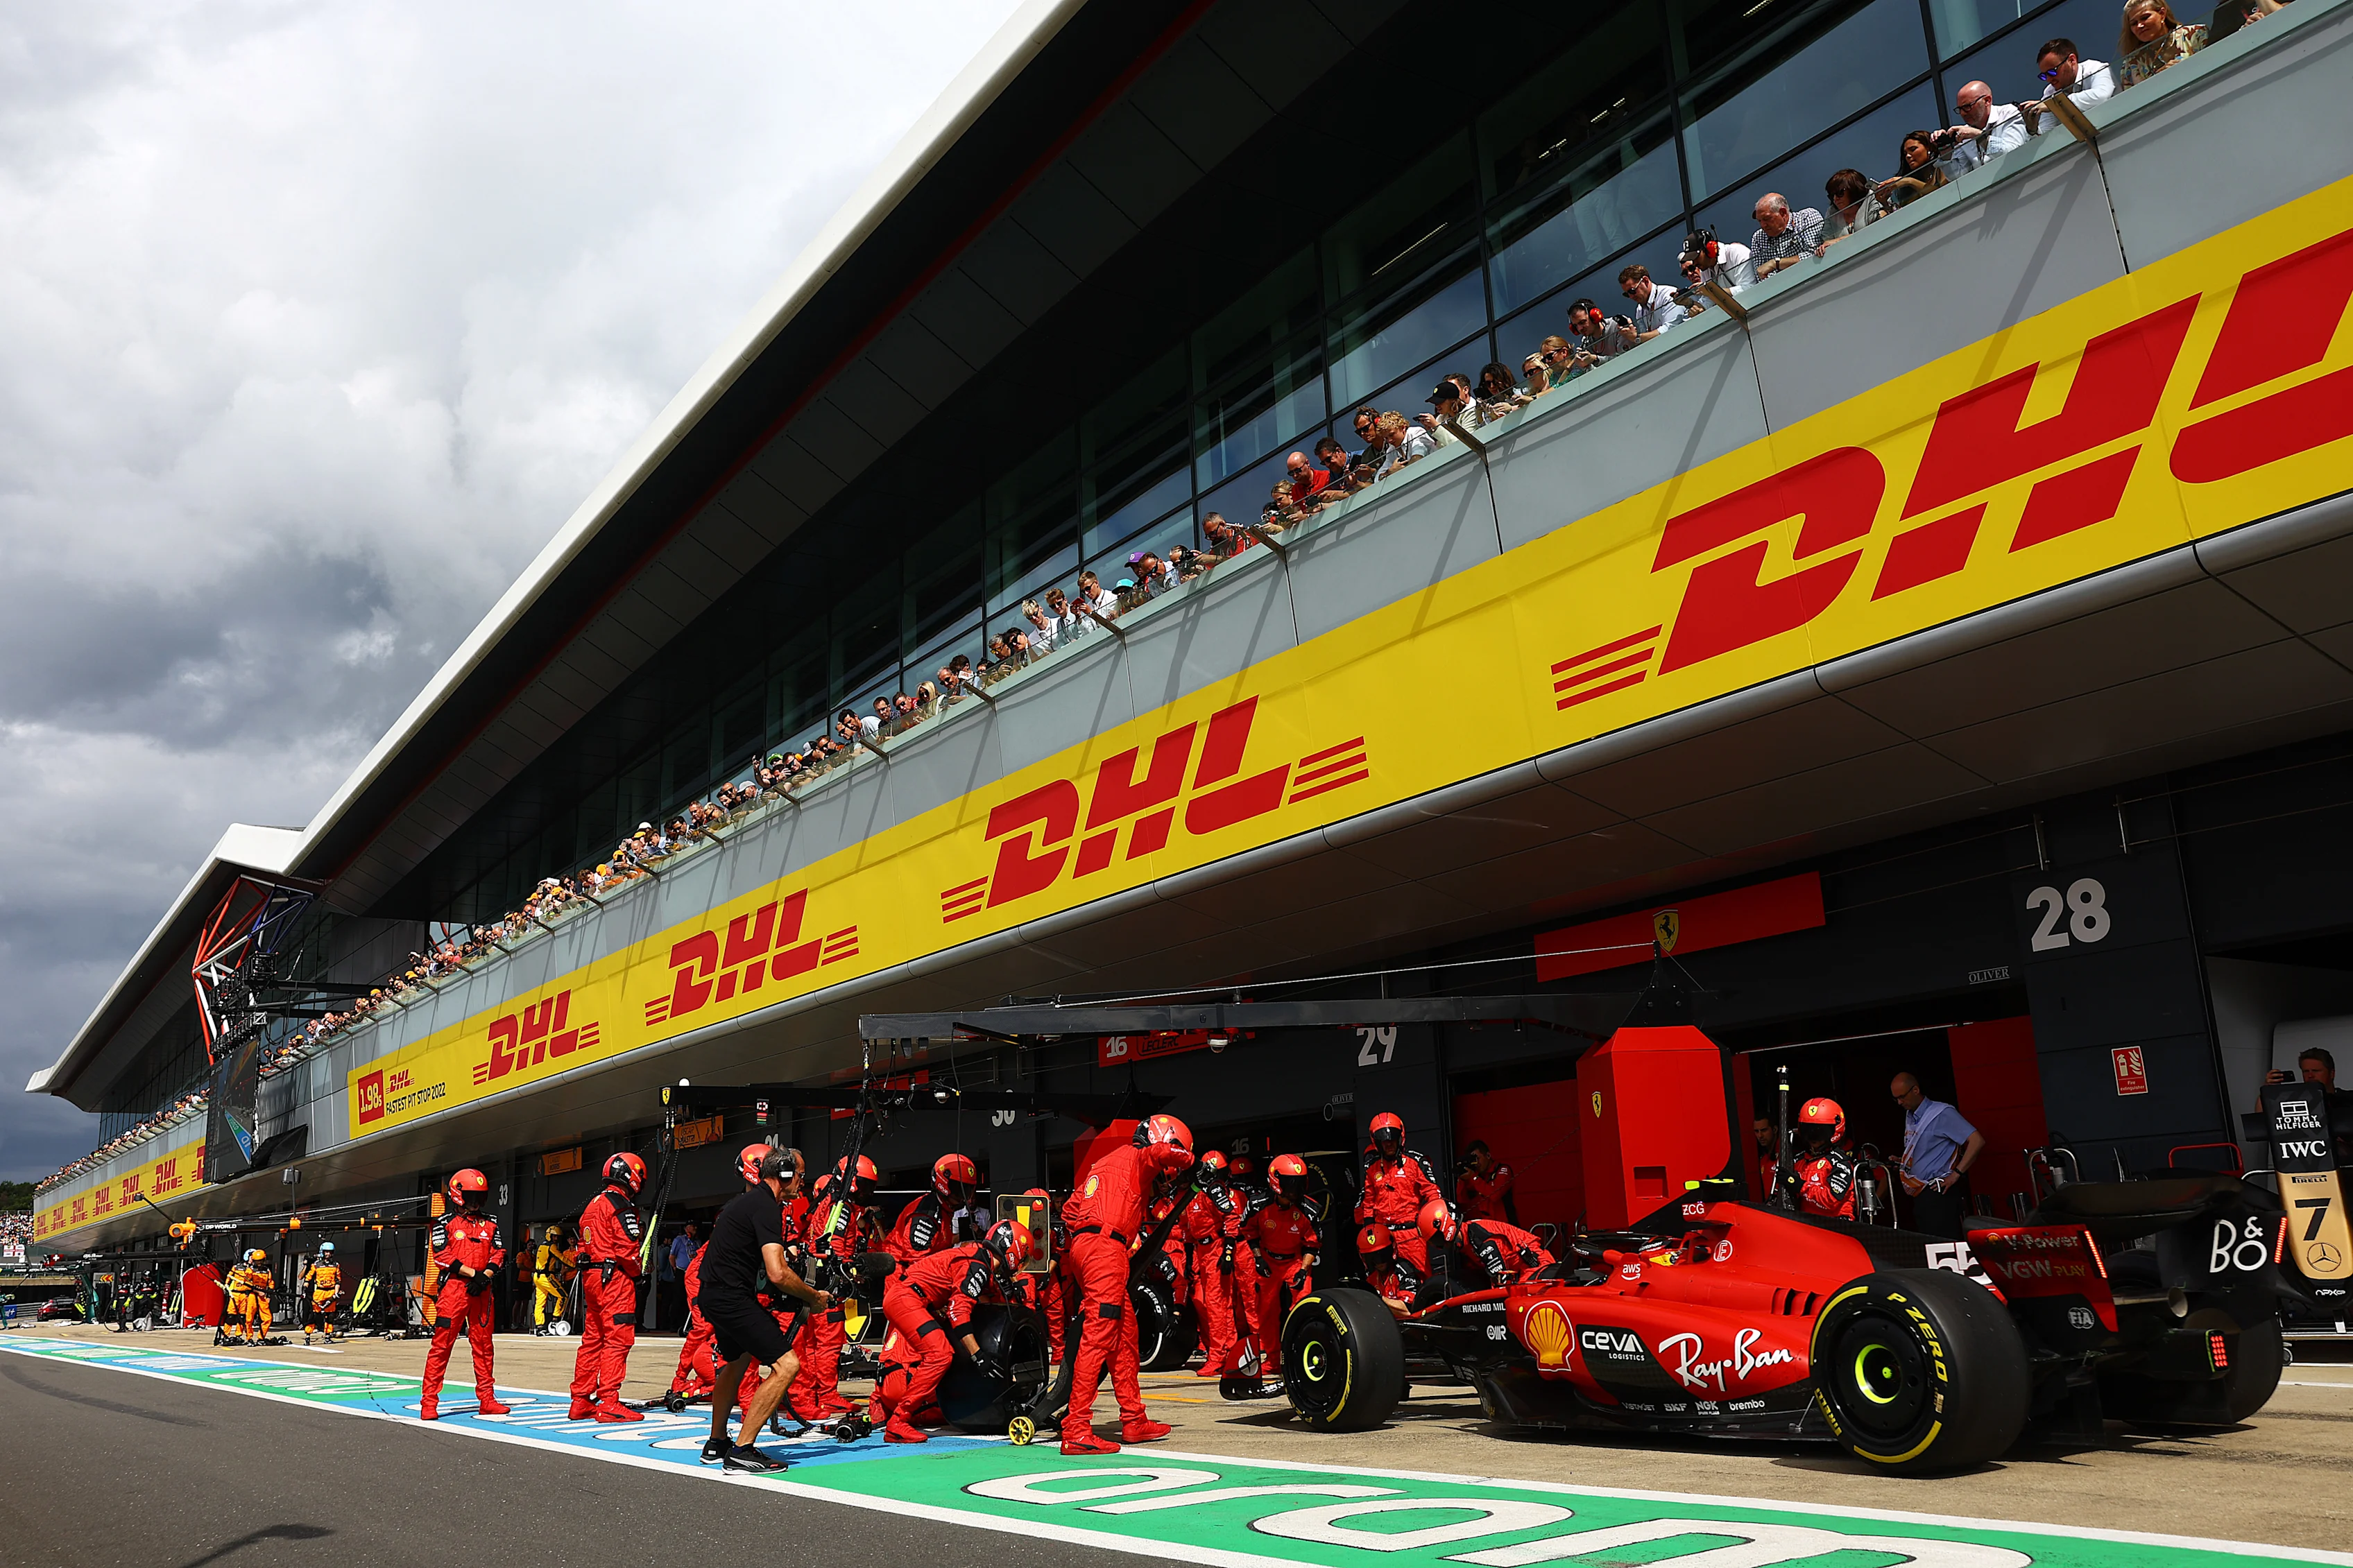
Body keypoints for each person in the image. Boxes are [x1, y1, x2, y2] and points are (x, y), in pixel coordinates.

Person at [1059, 1113, 1193, 1454]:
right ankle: (1076, 1427)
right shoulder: (1139, 1155)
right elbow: (1160, 1155)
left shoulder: (1103, 1163)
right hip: (1106, 1250)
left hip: (1087, 1248)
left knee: (1125, 1333)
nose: (1168, 1180)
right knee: (1099, 1335)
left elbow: (1071, 1211)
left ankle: (1134, 1420)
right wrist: (1192, 1161)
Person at [699, 1145, 831, 1472]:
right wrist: (813, 1297)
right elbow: (777, 1272)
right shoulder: (766, 1207)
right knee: (787, 1366)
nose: (803, 1181)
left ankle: (716, 1443)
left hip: (714, 1295)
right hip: (732, 1298)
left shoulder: (745, 1202)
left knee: (738, 1360)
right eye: (800, 1174)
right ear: (784, 1173)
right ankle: (742, 1450)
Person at [874, 1219, 1036, 1442]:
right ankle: (899, 1421)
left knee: (939, 1352)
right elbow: (957, 1312)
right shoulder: (978, 1265)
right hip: (907, 1299)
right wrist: (978, 1356)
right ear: (1014, 1251)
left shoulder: (979, 1260)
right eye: (1023, 1257)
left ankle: (895, 1413)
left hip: (910, 1298)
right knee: (940, 1354)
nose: (1022, 1264)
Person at [420, 1169, 512, 1420]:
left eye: (480, 1197)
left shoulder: (491, 1222)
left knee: (484, 1347)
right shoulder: (442, 1223)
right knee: (441, 1346)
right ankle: (429, 1402)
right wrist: (474, 1274)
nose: (476, 1202)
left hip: (483, 1290)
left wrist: (485, 1277)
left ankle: (487, 1399)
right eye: (471, 1196)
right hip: (455, 1289)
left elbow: (499, 1253)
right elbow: (442, 1256)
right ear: (458, 1195)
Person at [570, 1151, 648, 1422]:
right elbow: (628, 1249)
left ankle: (581, 1400)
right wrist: (640, 1272)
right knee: (618, 1339)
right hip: (614, 1279)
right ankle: (609, 1402)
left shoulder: (593, 1203)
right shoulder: (619, 1204)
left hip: (591, 1277)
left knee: (592, 1339)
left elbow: (582, 1244)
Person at [1894, 1072, 1984, 1239]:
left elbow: (1977, 1141)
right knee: (1929, 1245)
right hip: (1919, 1193)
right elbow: (1929, 1152)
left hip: (1939, 1191)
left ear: (1915, 1090)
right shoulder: (1911, 1116)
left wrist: (1956, 1174)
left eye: (1902, 1097)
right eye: (1896, 1099)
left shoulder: (1942, 1113)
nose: (1899, 1102)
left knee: (1944, 1245)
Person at [1355, 1112, 1443, 1276]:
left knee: (1420, 1278)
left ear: (1400, 1139)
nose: (1389, 1145)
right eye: (1385, 1142)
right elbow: (1368, 1203)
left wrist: (1435, 1220)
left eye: (1392, 1141)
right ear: (1377, 1143)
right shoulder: (1372, 1169)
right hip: (1384, 1238)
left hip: (1412, 1236)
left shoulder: (1416, 1162)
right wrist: (1369, 1232)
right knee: (1384, 1281)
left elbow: (1432, 1193)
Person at [1248, 1154, 1320, 1343]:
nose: (1295, 1190)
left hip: (1295, 1261)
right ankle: (1272, 1360)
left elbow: (1312, 1245)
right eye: (1291, 1183)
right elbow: (1250, 1233)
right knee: (1266, 1312)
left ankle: (1299, 1351)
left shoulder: (1309, 1211)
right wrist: (1258, 1259)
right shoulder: (1257, 1205)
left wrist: (1303, 1270)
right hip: (1268, 1261)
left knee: (1303, 1307)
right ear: (1277, 1181)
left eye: (1299, 1183)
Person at [1417, 1198, 1555, 1288]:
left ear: (1444, 1228)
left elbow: (1501, 1285)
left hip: (1537, 1268)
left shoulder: (1480, 1238)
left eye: (1436, 1239)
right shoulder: (1467, 1238)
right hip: (1522, 1273)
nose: (1438, 1246)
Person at [885, 1153, 977, 1268]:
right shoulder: (926, 1215)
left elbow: (939, 1245)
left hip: (922, 1269)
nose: (963, 1197)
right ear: (945, 1186)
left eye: (967, 1191)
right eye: (959, 1190)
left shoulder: (944, 1209)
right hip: (902, 1274)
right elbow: (916, 1261)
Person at [2023, 37, 2117, 130]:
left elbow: (2101, 96)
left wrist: (2055, 104)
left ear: (2072, 60)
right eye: (2044, 76)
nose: (2048, 79)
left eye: (2052, 72)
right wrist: (2033, 129)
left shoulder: (2096, 68)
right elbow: (2047, 131)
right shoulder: (2050, 92)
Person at [1938, 81, 2028, 176]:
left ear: (1987, 101)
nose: (1963, 113)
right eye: (1960, 109)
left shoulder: (2008, 113)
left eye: (1967, 107)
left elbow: (2014, 152)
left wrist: (1978, 135)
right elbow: (1958, 176)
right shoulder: (1965, 132)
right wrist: (1945, 152)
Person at [1793, 1099, 1860, 1220]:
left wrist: (1800, 1186)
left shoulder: (1840, 1163)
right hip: (1807, 1226)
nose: (1813, 1137)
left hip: (1837, 1227)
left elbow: (1832, 1200)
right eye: (1808, 1131)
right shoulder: (1798, 1161)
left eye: (1819, 1132)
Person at [2119, 0, 2205, 86]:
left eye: (2145, 18)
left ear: (2162, 14)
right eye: (2134, 23)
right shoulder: (2131, 63)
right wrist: (2158, 79)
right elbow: (2133, 98)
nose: (2140, 26)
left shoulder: (2195, 34)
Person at [1749, 194, 1823, 277]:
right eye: (1759, 221)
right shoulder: (1758, 238)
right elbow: (1762, 275)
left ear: (1783, 213)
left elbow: (1816, 255)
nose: (1763, 225)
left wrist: (1776, 263)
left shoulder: (1806, 218)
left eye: (1767, 219)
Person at [1877, 132, 1951, 211]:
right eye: (1905, 154)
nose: (1908, 156)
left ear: (1929, 148)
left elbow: (1945, 194)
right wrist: (1885, 204)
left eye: (1913, 149)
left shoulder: (1941, 166)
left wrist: (1909, 181)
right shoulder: (1909, 188)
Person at [1356, 1221, 1422, 1309]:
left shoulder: (1404, 1270)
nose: (1378, 1262)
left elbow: (1408, 1309)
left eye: (1382, 1255)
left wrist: (1378, 1297)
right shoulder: (1370, 1278)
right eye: (1371, 1259)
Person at [1618, 264, 1685, 343]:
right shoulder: (1640, 310)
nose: (1631, 297)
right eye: (1627, 294)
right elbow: (1646, 339)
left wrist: (1636, 337)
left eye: (1632, 291)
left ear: (1645, 281)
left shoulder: (1668, 295)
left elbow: (1670, 330)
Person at [1455, 1141, 1515, 1224]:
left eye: (1477, 1159)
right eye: (1473, 1161)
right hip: (1488, 1227)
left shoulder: (1502, 1170)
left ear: (1488, 1156)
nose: (1476, 1164)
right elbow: (1462, 1199)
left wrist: (1474, 1178)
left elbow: (1495, 1195)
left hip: (1507, 1226)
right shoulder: (1478, 1176)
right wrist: (1462, 1179)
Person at [533, 1222, 577, 1334]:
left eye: (557, 1236)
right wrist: (575, 1265)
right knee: (563, 1296)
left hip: (537, 1276)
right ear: (550, 1235)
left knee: (540, 1302)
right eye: (554, 1236)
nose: (556, 1238)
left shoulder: (541, 1245)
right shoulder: (551, 1247)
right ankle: (555, 1320)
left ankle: (539, 1327)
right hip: (547, 1277)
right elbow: (561, 1258)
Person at [224, 1249, 273, 1344]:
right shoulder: (248, 1270)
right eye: (257, 1261)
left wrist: (269, 1294)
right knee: (246, 1318)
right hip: (251, 1295)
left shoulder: (267, 1270)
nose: (259, 1263)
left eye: (261, 1260)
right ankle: (248, 1337)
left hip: (262, 1296)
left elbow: (270, 1283)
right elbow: (247, 1285)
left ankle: (261, 1338)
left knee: (267, 1318)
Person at [301, 1241, 342, 1345]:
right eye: (326, 1252)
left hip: (331, 1291)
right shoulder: (316, 1265)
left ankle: (328, 1336)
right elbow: (308, 1278)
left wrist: (336, 1294)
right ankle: (308, 1335)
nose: (328, 1254)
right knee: (314, 1315)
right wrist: (305, 1289)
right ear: (322, 1252)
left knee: (330, 1316)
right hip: (319, 1292)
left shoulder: (336, 1265)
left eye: (330, 1252)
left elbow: (338, 1281)